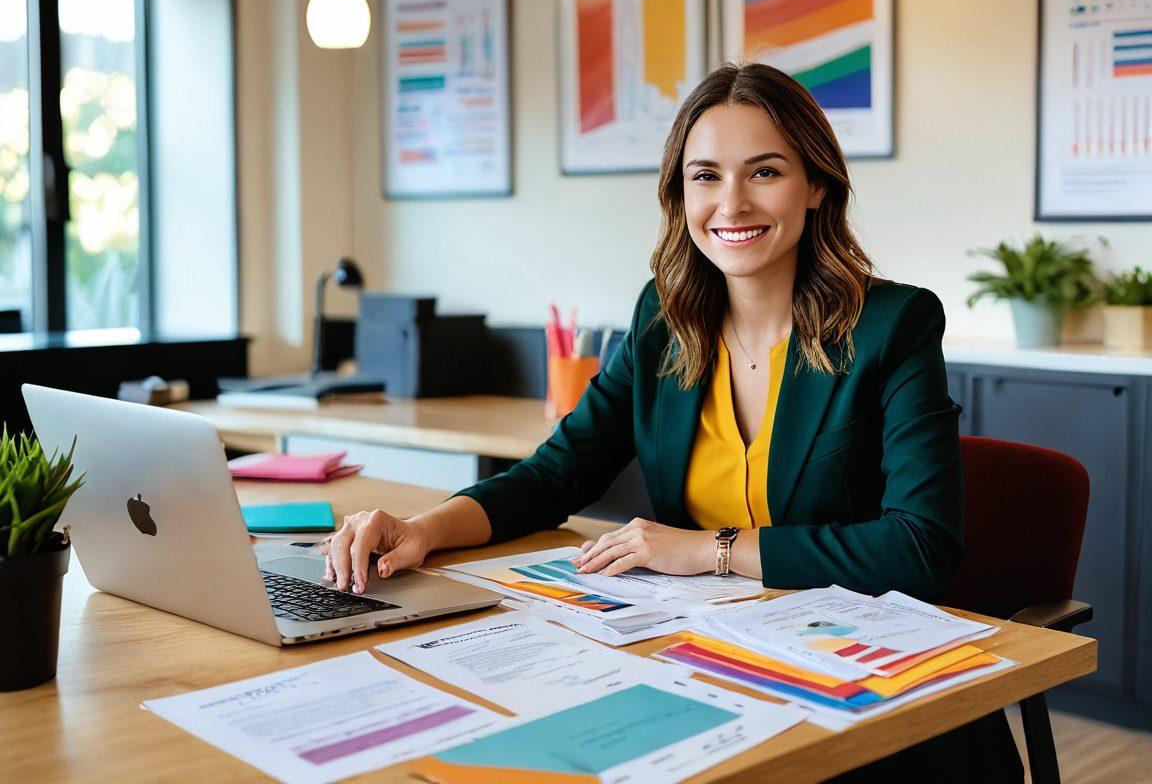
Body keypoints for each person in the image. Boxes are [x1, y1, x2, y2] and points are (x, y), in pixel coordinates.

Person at [322, 62, 1024, 783]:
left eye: (765, 172)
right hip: (710, 666)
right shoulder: (664, 320)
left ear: (816, 186)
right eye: (705, 176)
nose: (732, 202)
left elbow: (919, 548)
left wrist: (710, 550)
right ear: (679, 193)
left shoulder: (893, 325)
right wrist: (424, 529)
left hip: (868, 698)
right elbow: (556, 474)